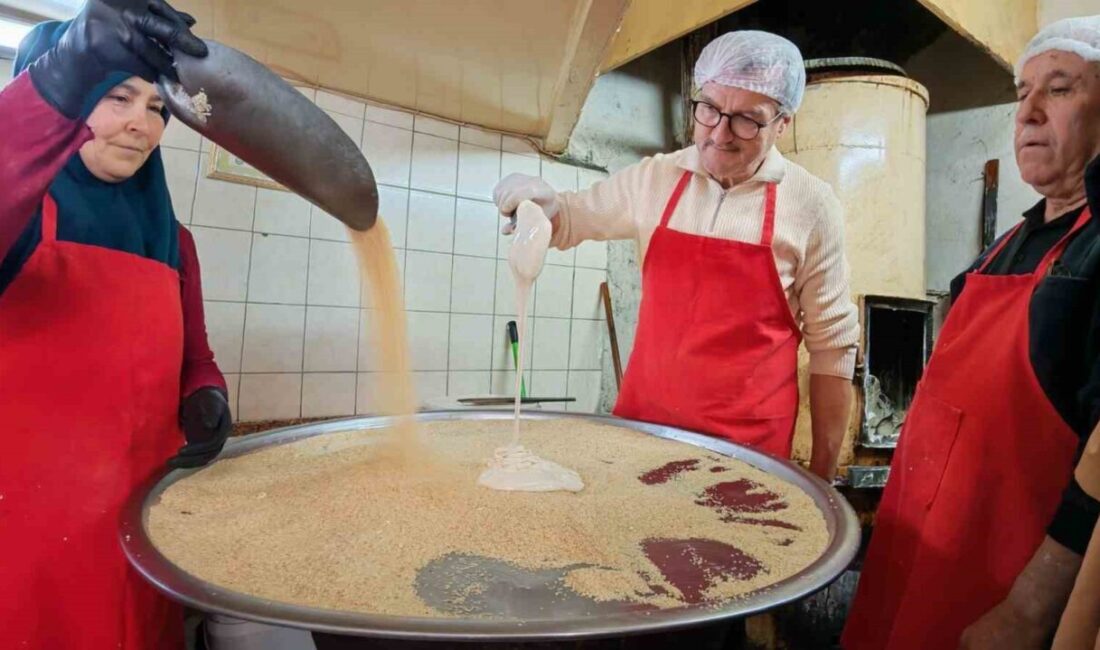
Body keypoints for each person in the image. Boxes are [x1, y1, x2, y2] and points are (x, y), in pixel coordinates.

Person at [493, 30, 859, 480]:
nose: (719, 134)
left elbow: (833, 348)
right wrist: (543, 206)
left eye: (747, 119)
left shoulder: (811, 206)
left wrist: (822, 477)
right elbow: (571, 218)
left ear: (783, 122)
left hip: (748, 455)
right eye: (709, 109)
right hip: (643, 435)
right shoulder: (656, 178)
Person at [843, 15, 1100, 650]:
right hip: (914, 560)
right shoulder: (1004, 248)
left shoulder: (1093, 253)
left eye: (1061, 89)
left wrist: (1029, 610)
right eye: (1022, 94)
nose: (1029, 114)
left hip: (997, 591)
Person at [0, 1, 232, 647]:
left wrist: (203, 394)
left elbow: (195, 358)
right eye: (116, 97)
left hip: (141, 536)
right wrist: (64, 71)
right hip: (26, 548)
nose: (141, 125)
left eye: (156, 107)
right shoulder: (20, 213)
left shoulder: (172, 238)